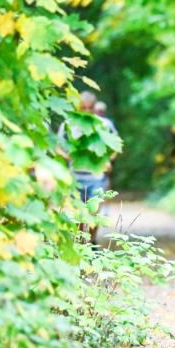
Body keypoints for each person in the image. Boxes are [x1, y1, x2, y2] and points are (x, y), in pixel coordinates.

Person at [57, 90, 119, 242]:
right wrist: (68, 157)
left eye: (89, 108)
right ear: (77, 107)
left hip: (97, 177)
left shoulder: (104, 124)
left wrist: (108, 161)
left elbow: (116, 146)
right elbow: (57, 146)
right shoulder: (68, 124)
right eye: (82, 108)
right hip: (75, 176)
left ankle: (91, 242)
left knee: (93, 214)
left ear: (94, 107)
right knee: (78, 214)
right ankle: (82, 243)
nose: (86, 111)